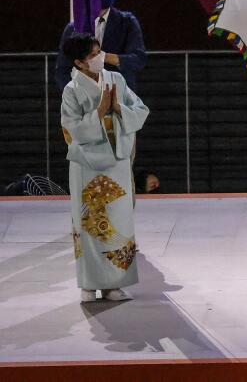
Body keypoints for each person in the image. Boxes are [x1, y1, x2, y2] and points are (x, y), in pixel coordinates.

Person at [61, 31, 150, 303]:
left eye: (100, 52)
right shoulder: (71, 90)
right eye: (93, 55)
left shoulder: (117, 80)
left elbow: (141, 109)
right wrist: (99, 112)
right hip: (87, 164)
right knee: (89, 221)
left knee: (118, 222)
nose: (100, 58)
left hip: (117, 159)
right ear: (78, 62)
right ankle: (88, 283)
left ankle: (114, 283)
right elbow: (71, 128)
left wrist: (120, 110)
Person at [55, 0, 147, 93]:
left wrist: (102, 57)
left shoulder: (127, 22)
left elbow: (139, 60)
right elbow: (62, 71)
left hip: (120, 100)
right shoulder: (74, 28)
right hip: (86, 103)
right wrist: (76, 97)